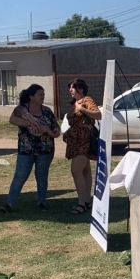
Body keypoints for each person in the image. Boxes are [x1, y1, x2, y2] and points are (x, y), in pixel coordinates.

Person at [0, 85, 60, 213]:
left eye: (43, 95)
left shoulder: (47, 111)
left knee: (42, 176)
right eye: (40, 95)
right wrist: (31, 122)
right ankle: (9, 203)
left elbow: (56, 128)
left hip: (45, 150)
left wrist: (50, 130)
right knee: (20, 176)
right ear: (31, 96)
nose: (42, 97)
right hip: (26, 150)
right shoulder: (22, 109)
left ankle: (42, 202)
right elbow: (13, 119)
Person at [62, 78, 101, 214]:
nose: (70, 90)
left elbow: (98, 115)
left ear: (81, 89)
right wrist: (68, 132)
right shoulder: (75, 103)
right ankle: (87, 201)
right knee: (85, 172)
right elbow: (75, 123)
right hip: (75, 140)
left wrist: (82, 109)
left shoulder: (86, 100)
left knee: (76, 170)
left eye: (73, 87)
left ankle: (81, 203)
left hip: (84, 141)